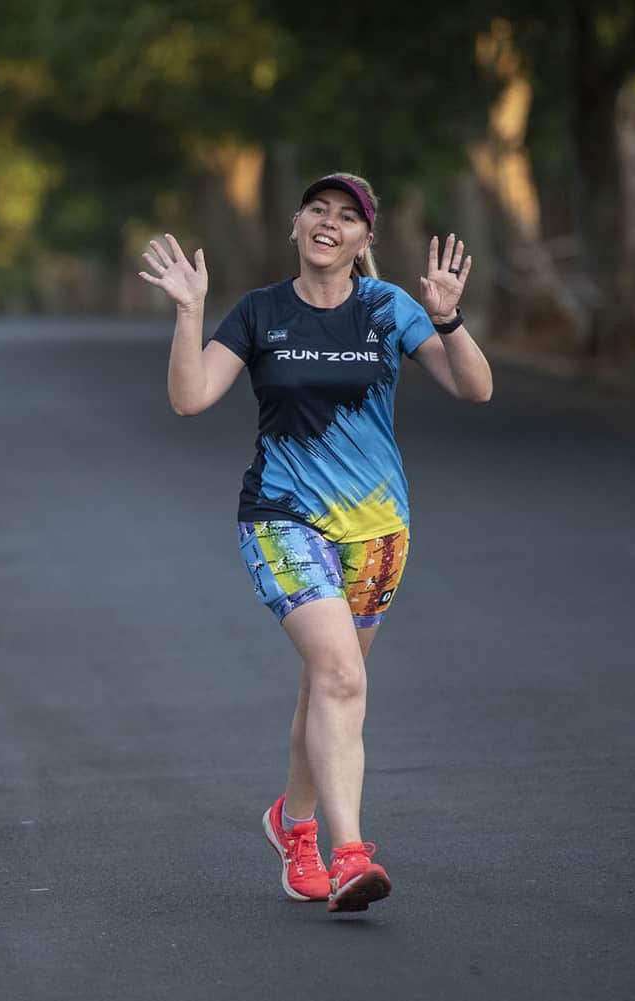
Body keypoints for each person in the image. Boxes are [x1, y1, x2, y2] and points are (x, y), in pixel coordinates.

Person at [137, 173, 492, 912]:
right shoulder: (260, 312)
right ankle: (350, 853)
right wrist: (190, 311)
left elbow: (475, 389)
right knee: (338, 675)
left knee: (327, 685)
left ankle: (293, 825)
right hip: (282, 517)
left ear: (365, 239)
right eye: (318, 210)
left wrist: (450, 320)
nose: (330, 222)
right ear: (296, 225)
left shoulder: (387, 308)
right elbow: (190, 398)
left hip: (378, 529)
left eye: (347, 216)